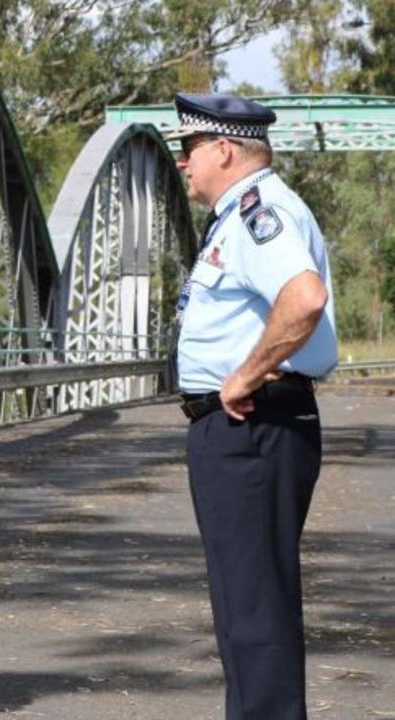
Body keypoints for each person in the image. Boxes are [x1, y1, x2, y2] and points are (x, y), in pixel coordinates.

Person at [169, 92, 337, 719]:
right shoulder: (239, 215)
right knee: (245, 610)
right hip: (243, 430)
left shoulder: (261, 212)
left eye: (189, 149)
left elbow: (304, 297)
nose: (183, 163)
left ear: (224, 149)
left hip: (252, 425)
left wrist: (245, 374)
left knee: (256, 611)